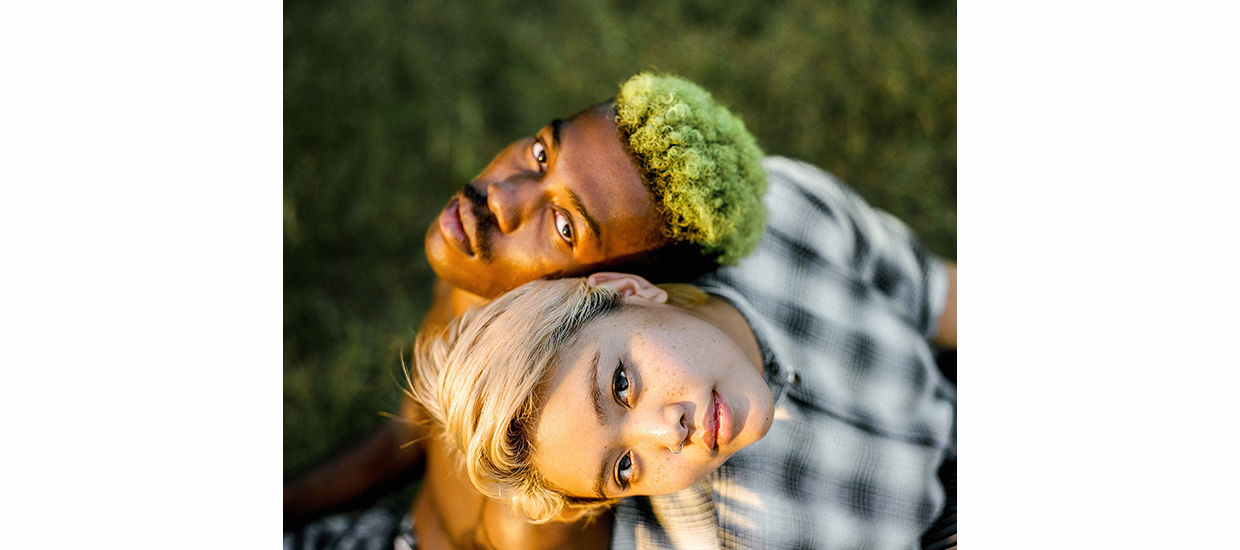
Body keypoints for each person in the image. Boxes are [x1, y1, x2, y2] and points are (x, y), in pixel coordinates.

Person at [286, 72, 772, 549]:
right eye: (542, 154)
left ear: (623, 288)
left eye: (564, 227)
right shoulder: (477, 272)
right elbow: (409, 428)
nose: (501, 195)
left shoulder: (553, 490)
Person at [412, 158, 956, 549]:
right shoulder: (721, 537)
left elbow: (942, 298)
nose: (667, 435)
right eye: (624, 467)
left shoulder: (784, 222)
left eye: (621, 385)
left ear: (629, 291)